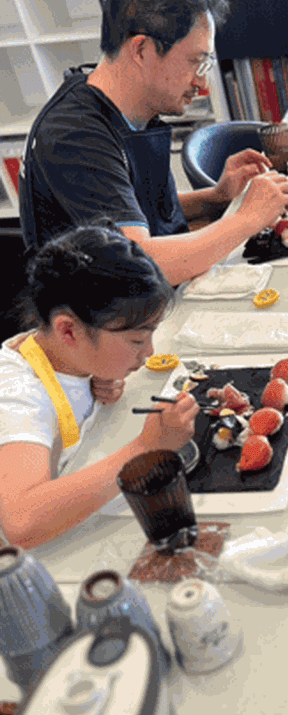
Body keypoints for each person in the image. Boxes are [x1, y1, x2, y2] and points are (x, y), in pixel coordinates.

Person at [19, 0, 288, 286]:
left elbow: (135, 212)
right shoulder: (74, 135)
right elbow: (141, 265)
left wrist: (216, 197)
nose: (203, 84)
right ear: (142, 50)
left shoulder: (129, 105)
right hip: (104, 307)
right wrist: (247, 218)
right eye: (196, 62)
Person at [0, 222, 199, 549]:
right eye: (137, 340)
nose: (149, 353)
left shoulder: (68, 354)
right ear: (68, 331)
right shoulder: (18, 394)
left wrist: (94, 377)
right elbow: (21, 523)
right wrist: (145, 448)